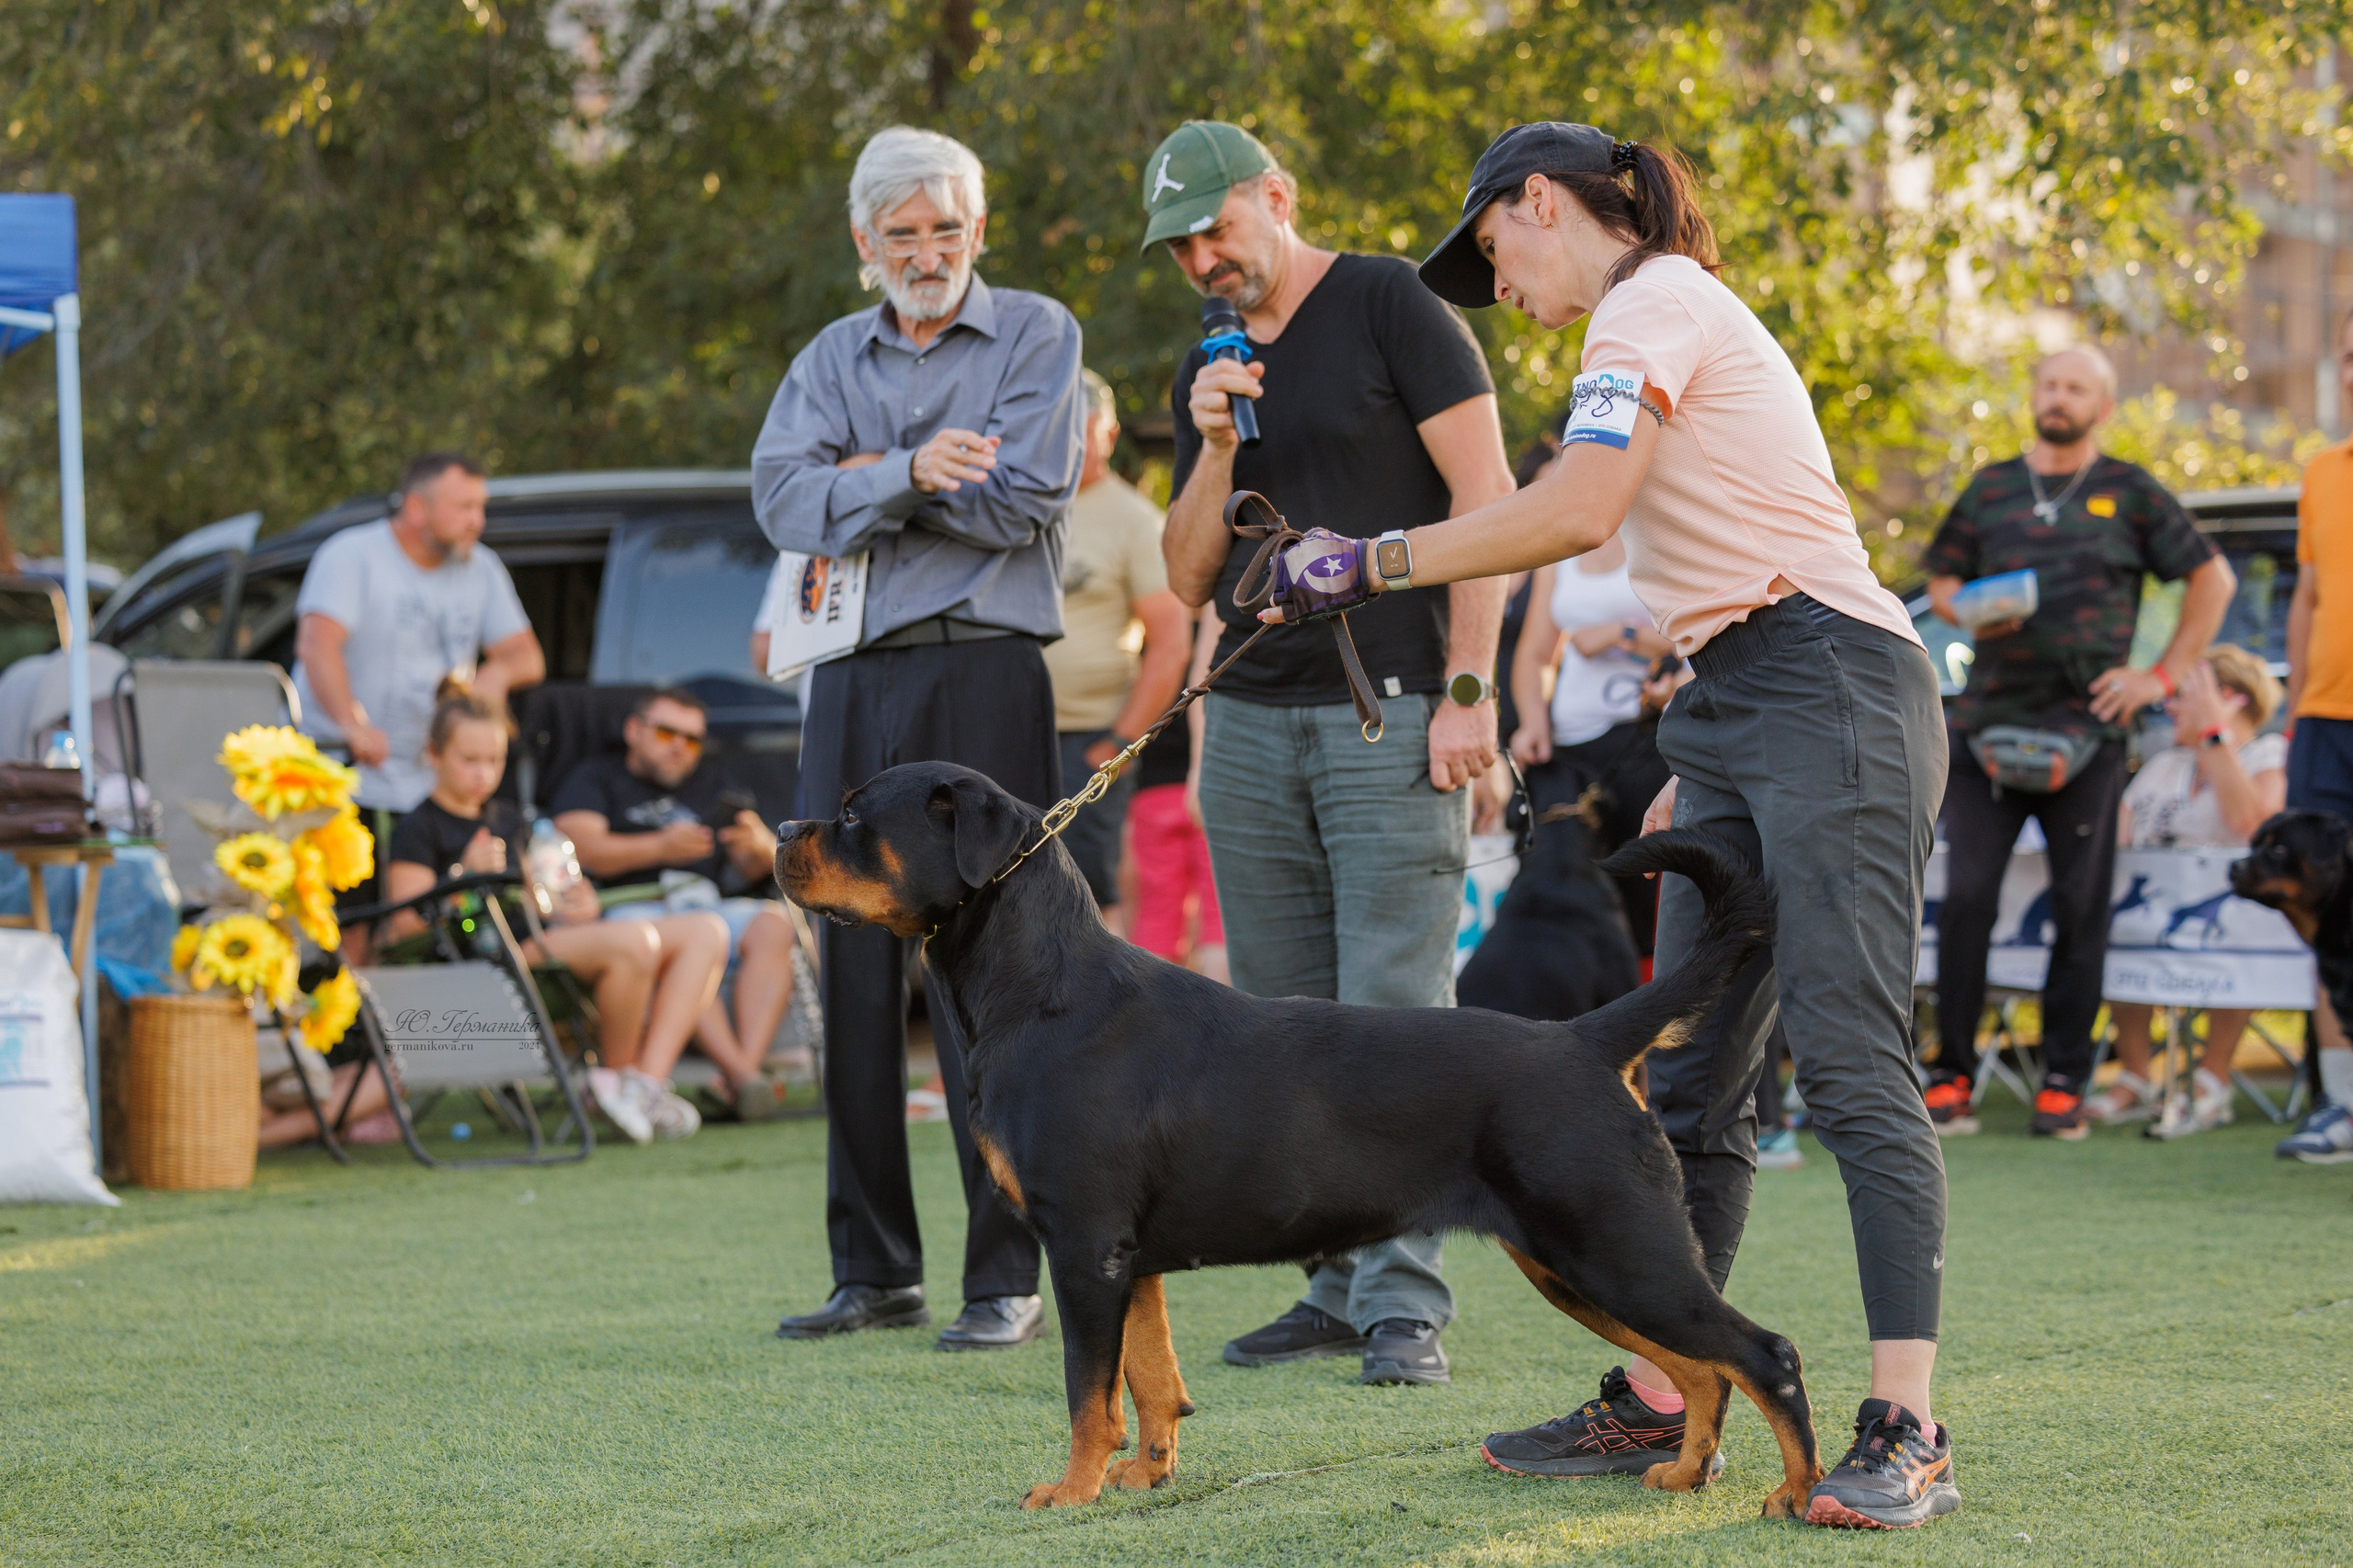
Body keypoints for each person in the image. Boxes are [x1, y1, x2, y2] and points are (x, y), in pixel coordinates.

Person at [1279, 120, 1955, 1526]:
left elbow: (1581, 511)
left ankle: (1908, 1429)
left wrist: (1371, 561)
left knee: (1848, 1057)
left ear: (1541, 200)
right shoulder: (1648, 319)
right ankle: (1664, 1389)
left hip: (1832, 683)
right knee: (1693, 1076)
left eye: (1494, 253)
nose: (1499, 290)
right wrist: (1706, 749)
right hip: (1738, 700)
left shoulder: (1653, 301)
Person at [1146, 119, 1515, 1388]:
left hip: (1394, 706)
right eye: (1180, 244)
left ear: (1277, 196)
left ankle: (1404, 1301)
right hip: (1250, 721)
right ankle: (1330, 1286)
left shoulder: (1392, 302)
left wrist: (1469, 690)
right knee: (1279, 1028)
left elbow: (1489, 501)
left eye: (1215, 226)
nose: (1202, 257)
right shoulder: (1209, 366)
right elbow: (1187, 574)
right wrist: (1213, 441)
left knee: (1395, 1016)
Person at [752, 126, 1084, 1352]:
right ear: (865, 241)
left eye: (948, 228)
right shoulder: (829, 355)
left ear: (977, 229)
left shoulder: (1039, 332)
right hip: (847, 673)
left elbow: (1026, 496)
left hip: (986, 666)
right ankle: (872, 1270)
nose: (929, 251)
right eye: (904, 233)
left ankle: (1004, 1278)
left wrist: (864, 482)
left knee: (998, 965)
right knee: (847, 964)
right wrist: (913, 467)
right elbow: (781, 501)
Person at [1923, 347, 2234, 1140]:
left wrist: (2160, 677)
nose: (2059, 397)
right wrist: (1969, 607)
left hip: (2089, 735)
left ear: (2103, 405)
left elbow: (2214, 580)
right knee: (1967, 901)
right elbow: (1942, 584)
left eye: (2076, 388)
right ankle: (1950, 1075)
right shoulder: (1992, 488)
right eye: (2050, 384)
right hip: (1986, 732)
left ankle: (2064, 1081)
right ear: (2035, 395)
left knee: (2080, 908)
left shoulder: (2130, 491)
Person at [380, 684, 733, 1143]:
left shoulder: (508, 820)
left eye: (495, 760)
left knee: (706, 931)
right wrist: (462, 876)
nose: (484, 773)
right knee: (634, 941)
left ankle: (643, 1085)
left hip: (535, 947)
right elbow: (404, 928)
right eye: (470, 760)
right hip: (478, 968)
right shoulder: (419, 828)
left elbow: (542, 899)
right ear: (433, 754)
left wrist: (577, 902)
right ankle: (615, 1080)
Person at [291, 452, 546, 918]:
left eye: (481, 507)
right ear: (415, 508)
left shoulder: (481, 568)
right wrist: (351, 723)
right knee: (351, 927)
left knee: (423, 923)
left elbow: (526, 656)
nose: (478, 521)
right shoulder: (353, 555)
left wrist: (495, 674)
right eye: (464, 507)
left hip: (424, 787)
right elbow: (317, 645)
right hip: (347, 780)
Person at [550, 687, 800, 1120]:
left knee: (774, 923)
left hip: (706, 900)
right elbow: (577, 848)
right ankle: (744, 1078)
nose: (680, 747)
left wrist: (759, 846)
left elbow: (754, 866)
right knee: (690, 938)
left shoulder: (715, 783)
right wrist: (660, 847)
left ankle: (742, 1072)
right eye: (667, 734)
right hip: (630, 904)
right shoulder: (595, 777)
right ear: (634, 730)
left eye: (692, 740)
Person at [2085, 646, 2288, 1135]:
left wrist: (2215, 734)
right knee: (2122, 927)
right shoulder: (2164, 766)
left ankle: (2212, 1079)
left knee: (2235, 929)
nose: (2169, 707)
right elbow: (2119, 840)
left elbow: (2253, 826)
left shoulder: (2267, 756)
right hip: (2155, 908)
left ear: (2231, 698)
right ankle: (2135, 1075)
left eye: (2182, 697)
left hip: (2235, 916)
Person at [1039, 369, 1190, 915]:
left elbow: (1170, 644)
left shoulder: (1134, 521)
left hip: (1088, 739)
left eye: (1084, 429)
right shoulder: (1019, 505)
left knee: (1082, 902)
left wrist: (1120, 746)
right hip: (1014, 733)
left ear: (1108, 432)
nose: (1071, 443)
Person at [1507, 533, 1676, 956]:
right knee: (1569, 895)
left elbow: (1698, 635)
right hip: (1570, 751)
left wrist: (1623, 634)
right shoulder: (1560, 549)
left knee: (1646, 895)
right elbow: (1534, 655)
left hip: (1643, 741)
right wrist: (1533, 721)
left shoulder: (1657, 534)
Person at [2278, 309, 2353, 1162]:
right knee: (2328, 915)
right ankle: (2343, 1104)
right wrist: (2297, 709)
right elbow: (2307, 596)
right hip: (2326, 725)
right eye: (2351, 357)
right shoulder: (2322, 473)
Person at [1125, 606, 1227, 980]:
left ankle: (1151, 1011)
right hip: (1210, 788)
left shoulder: (1156, 643)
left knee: (1158, 912)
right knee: (1219, 915)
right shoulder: (1224, 639)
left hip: (1152, 794)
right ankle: (1223, 1013)